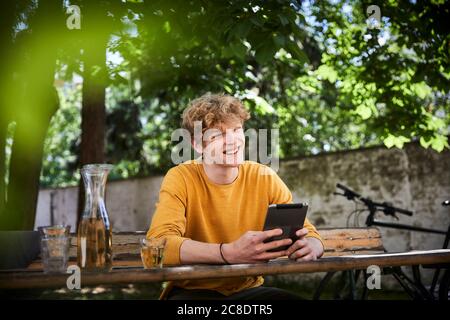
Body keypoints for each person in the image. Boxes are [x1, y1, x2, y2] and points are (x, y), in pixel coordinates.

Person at [147, 93, 324, 300]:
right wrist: (227, 253)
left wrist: (311, 246)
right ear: (196, 144)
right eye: (217, 135)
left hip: (248, 290)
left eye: (236, 130)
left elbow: (310, 232)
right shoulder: (181, 177)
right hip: (193, 291)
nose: (231, 141)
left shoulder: (263, 176)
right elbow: (158, 244)